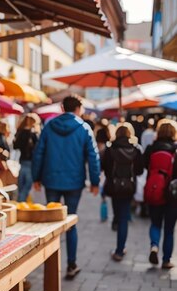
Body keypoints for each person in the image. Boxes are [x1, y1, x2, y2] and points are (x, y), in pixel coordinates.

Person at [32, 95, 101, 279]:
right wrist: (95, 182)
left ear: (62, 108)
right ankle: (71, 264)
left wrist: (36, 177)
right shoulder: (84, 128)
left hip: (51, 180)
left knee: (51, 222)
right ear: (78, 108)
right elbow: (93, 157)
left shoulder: (49, 126)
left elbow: (39, 153)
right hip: (74, 182)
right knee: (70, 222)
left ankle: (50, 264)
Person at [101, 123, 144, 261]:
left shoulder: (110, 148)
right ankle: (120, 249)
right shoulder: (136, 149)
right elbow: (139, 170)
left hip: (114, 187)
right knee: (124, 217)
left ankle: (116, 223)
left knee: (118, 213)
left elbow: (105, 168)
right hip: (129, 187)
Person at [143, 119, 177, 269]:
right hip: (172, 195)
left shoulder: (151, 148)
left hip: (155, 190)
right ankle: (166, 260)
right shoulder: (176, 150)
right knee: (169, 229)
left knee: (155, 223)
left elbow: (143, 166)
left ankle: (154, 246)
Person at [13, 113, 41, 202]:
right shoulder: (33, 134)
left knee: (21, 185)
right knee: (27, 185)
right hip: (31, 162)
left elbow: (15, 146)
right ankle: (21, 202)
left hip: (22, 161)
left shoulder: (20, 132)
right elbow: (38, 149)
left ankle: (20, 202)